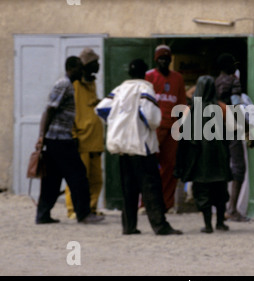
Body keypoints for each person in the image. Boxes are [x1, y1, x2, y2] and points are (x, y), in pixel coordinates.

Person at [96, 59, 182, 236]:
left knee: (129, 189)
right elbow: (151, 117)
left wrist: (117, 124)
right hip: (141, 145)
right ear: (145, 73)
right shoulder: (145, 88)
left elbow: (102, 109)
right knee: (151, 187)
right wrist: (143, 126)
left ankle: (129, 226)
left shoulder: (119, 89)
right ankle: (160, 226)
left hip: (122, 145)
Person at [34, 56, 105, 224]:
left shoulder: (70, 86)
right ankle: (84, 214)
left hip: (56, 140)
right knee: (78, 176)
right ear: (71, 68)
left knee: (52, 179)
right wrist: (41, 136)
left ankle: (43, 215)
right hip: (60, 140)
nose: (82, 71)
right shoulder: (64, 84)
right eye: (80, 68)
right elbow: (49, 110)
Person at [174, 75, 232, 233]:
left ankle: (207, 225)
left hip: (199, 160)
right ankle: (220, 222)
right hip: (219, 159)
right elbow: (234, 129)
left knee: (203, 193)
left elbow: (183, 135)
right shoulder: (222, 108)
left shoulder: (189, 110)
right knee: (220, 192)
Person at [145, 45, 187, 212]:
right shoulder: (149, 77)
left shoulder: (178, 78)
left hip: (172, 129)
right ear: (156, 60)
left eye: (167, 59)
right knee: (149, 167)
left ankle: (166, 203)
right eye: (161, 59)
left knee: (170, 167)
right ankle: (146, 203)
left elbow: (182, 103)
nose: (164, 62)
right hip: (154, 128)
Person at [64, 48, 104, 219]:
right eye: (95, 63)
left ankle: (91, 208)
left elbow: (91, 105)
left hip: (95, 140)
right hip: (81, 138)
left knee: (96, 179)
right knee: (77, 178)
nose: (98, 66)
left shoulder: (92, 84)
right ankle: (73, 210)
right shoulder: (74, 85)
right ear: (87, 65)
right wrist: (73, 135)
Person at [214, 53, 250, 222]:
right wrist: (247, 130)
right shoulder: (233, 81)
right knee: (238, 168)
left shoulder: (214, 82)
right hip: (232, 127)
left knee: (221, 167)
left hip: (215, 128)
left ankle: (220, 208)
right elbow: (236, 106)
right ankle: (232, 209)